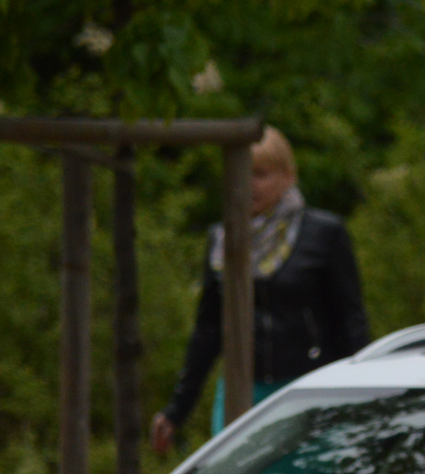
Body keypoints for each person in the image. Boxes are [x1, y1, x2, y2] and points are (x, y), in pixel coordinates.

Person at [150, 127, 369, 455]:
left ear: (287, 176)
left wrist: (364, 397)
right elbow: (208, 330)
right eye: (241, 174)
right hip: (242, 393)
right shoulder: (221, 240)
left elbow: (351, 322)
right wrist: (177, 409)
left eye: (260, 174)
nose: (248, 183)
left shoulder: (324, 234)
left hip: (308, 392)